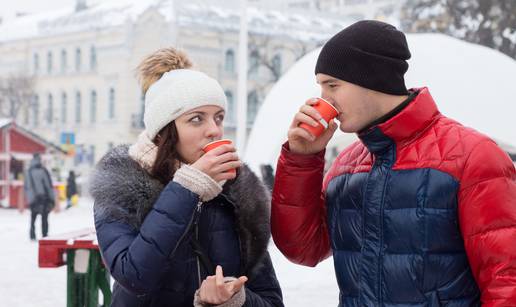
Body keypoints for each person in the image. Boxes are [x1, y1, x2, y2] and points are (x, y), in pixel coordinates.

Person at [271, 20, 516, 306]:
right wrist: (301, 159)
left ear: (371, 79)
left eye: (332, 85)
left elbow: (506, 280)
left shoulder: (473, 156)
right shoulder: (346, 166)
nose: (324, 100)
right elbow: (303, 250)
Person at [90, 47, 283, 307]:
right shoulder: (122, 181)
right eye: (196, 119)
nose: (214, 130)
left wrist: (235, 299)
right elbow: (133, 276)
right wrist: (187, 188)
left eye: (219, 117)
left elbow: (271, 300)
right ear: (163, 131)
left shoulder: (238, 192)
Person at [24, 153, 55, 240]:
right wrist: (52, 199)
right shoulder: (43, 170)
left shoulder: (28, 171)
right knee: (44, 218)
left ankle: (32, 235)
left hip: (33, 199)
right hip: (44, 198)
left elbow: (27, 187)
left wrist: (30, 199)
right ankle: (44, 235)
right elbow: (48, 186)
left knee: (33, 218)